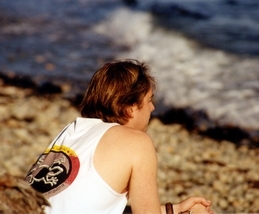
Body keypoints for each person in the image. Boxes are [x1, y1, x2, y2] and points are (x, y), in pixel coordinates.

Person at [25, 59, 213, 214]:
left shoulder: (71, 131)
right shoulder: (136, 142)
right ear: (131, 108)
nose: (153, 108)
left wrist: (174, 210)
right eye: (149, 100)